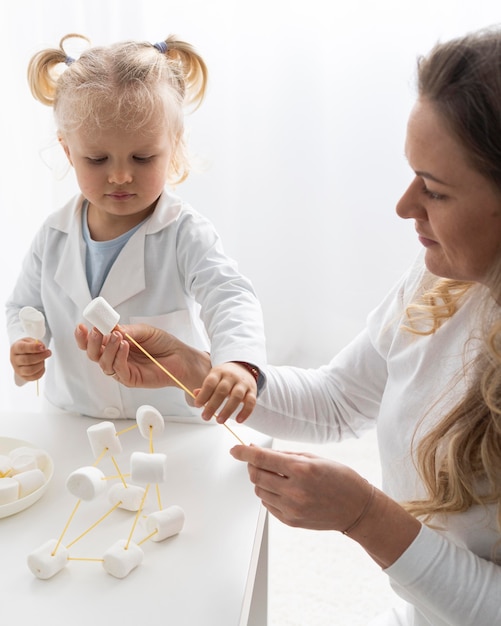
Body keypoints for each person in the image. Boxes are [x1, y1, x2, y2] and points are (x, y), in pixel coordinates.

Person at [75, 26, 501, 625]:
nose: (404, 207)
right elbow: (340, 400)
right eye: (412, 175)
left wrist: (365, 517)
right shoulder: (444, 281)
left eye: (434, 190)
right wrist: (201, 372)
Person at [5, 33, 267, 423]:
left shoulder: (185, 232)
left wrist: (237, 362)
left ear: (173, 146)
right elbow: (22, 306)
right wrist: (24, 343)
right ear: (68, 152)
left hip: (171, 422)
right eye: (97, 159)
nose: (121, 175)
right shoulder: (53, 235)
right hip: (74, 417)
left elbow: (229, 297)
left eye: (143, 158)